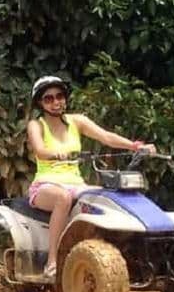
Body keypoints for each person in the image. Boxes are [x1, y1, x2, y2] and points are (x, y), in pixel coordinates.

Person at [26, 76, 156, 281]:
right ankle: (52, 261)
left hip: (77, 184)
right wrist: (56, 154)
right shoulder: (36, 125)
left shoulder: (77, 122)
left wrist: (135, 146)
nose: (55, 101)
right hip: (46, 185)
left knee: (106, 198)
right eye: (48, 98)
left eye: (59, 96)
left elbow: (106, 137)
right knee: (63, 198)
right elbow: (40, 150)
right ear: (40, 103)